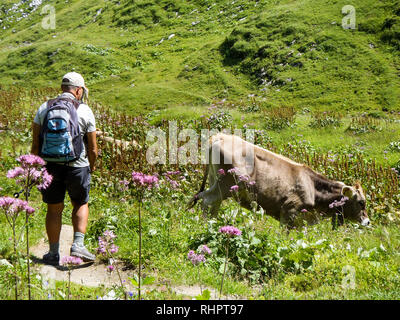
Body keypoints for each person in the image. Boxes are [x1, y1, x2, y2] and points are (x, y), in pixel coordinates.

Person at [31, 72, 98, 265]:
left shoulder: (44, 108)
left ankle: (53, 253)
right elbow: (93, 147)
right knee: (80, 203)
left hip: (50, 166)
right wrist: (91, 166)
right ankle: (78, 245)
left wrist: (35, 169)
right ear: (78, 90)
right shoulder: (85, 110)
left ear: (62, 88)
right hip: (78, 165)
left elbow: (35, 145)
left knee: (53, 209)